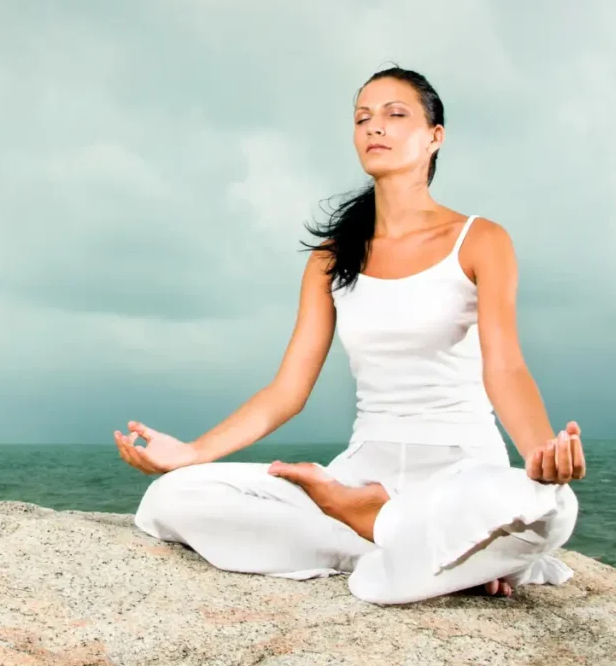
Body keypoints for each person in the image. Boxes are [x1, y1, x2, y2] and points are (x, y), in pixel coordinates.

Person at [114, 66, 587, 604]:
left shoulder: (481, 240)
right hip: (358, 477)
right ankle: (436, 551)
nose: (374, 128)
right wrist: (192, 452)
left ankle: (386, 533)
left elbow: (505, 367)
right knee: (169, 498)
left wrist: (541, 456)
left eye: (395, 115)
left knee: (554, 509)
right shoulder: (332, 258)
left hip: (460, 472)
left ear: (435, 136)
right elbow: (286, 393)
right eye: (363, 117)